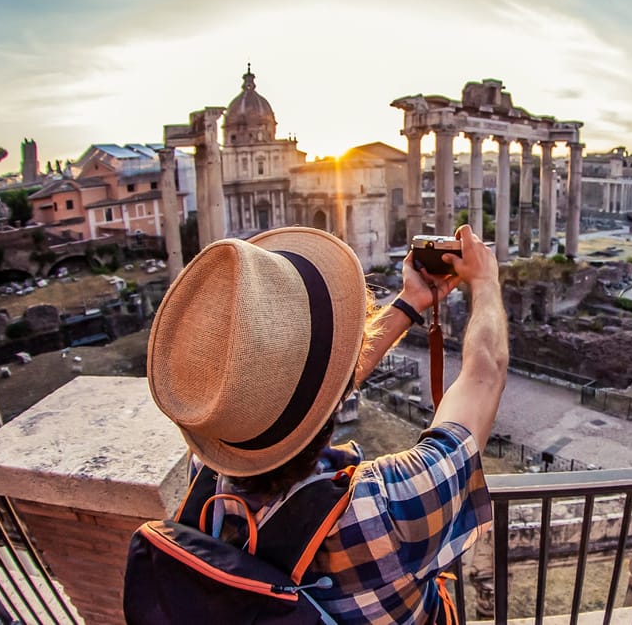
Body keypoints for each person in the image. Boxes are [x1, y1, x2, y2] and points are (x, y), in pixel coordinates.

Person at [146, 223, 508, 623]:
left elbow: (308, 393)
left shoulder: (211, 472)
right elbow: (484, 373)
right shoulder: (385, 509)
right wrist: (486, 279)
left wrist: (410, 303)